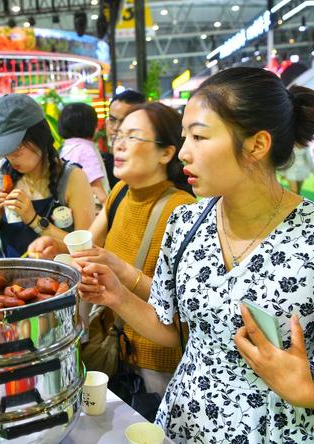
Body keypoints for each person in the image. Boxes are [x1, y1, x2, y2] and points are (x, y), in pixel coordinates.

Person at [78, 67, 314, 442]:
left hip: (276, 432)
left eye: (200, 136)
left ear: (256, 145)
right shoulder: (185, 222)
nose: (184, 152)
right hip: (182, 426)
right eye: (184, 136)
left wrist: (309, 393)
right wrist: (117, 296)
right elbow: (173, 332)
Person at [30, 102, 195, 400]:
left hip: (154, 363)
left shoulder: (182, 209)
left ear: (167, 153)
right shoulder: (120, 193)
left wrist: (119, 270)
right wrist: (56, 247)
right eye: (118, 135)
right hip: (108, 344)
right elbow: (88, 247)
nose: (119, 145)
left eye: (132, 137)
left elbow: (180, 306)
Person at [0, 94, 94, 258]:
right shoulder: (0, 171)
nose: (10, 157)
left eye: (16, 147)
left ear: (40, 136)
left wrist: (34, 220)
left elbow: (87, 248)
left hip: (60, 280)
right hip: (12, 279)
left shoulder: (73, 177)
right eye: (5, 149)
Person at [58, 102, 110, 206]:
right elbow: (96, 186)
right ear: (92, 126)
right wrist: (109, 207)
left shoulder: (66, 148)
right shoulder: (86, 149)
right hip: (91, 208)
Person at [103, 89, 147, 189]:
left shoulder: (147, 172)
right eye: (112, 119)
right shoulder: (98, 164)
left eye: (124, 121)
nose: (115, 128)